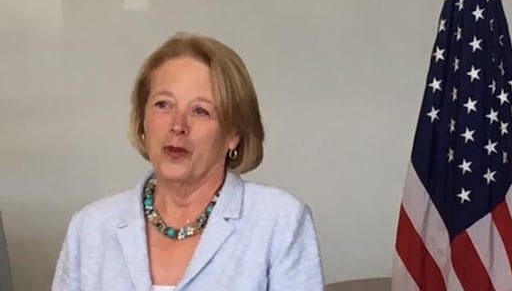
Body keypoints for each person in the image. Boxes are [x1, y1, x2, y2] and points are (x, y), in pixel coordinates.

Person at [52, 33, 324, 291]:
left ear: (233, 135)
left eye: (201, 111)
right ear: (143, 120)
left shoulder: (279, 221)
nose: (178, 125)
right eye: (163, 105)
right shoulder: (90, 228)